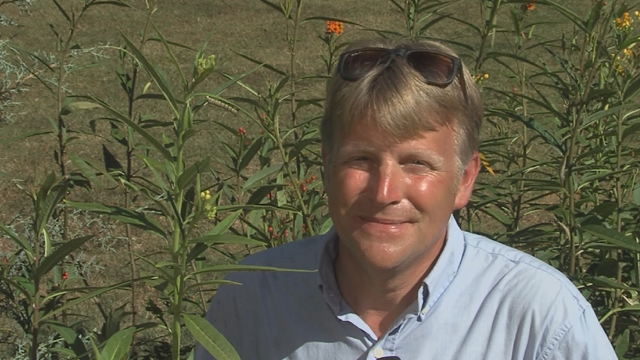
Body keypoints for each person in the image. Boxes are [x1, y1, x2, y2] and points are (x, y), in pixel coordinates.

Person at [194, 38, 616, 360]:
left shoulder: (539, 320)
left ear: (465, 179)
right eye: (360, 159)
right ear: (325, 165)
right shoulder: (253, 297)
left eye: (417, 163)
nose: (384, 192)